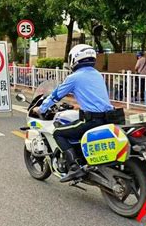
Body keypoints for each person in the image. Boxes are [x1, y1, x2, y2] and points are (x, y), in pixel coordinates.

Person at [33, 44, 120, 183]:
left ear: (75, 58)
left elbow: (56, 95)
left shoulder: (74, 77)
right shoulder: (97, 74)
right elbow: (92, 96)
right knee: (73, 127)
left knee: (58, 133)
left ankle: (74, 167)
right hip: (109, 118)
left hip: (92, 120)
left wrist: (41, 109)